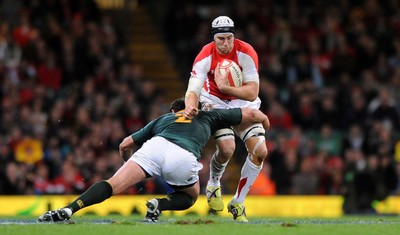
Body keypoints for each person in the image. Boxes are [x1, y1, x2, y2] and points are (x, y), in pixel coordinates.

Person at [37, 97, 270, 223]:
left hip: (154, 148)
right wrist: (266, 122)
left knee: (112, 184)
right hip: (183, 155)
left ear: (173, 110)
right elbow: (251, 114)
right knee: (189, 197)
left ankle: (69, 210)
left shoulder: (162, 120)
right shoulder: (208, 115)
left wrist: (130, 167)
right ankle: (160, 204)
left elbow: (125, 144)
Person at [184, 16, 268, 222]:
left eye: (229, 38)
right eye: (221, 39)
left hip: (241, 101)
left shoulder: (246, 52)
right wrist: (190, 106)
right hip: (215, 102)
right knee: (227, 149)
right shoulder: (205, 55)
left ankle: (238, 203)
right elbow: (193, 90)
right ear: (213, 38)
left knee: (260, 151)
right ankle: (214, 183)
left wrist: (226, 87)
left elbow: (252, 92)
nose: (226, 43)